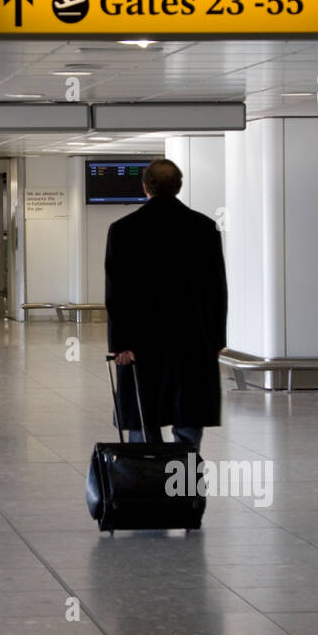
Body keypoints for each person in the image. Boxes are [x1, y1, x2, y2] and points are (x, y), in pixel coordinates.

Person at [105, 159, 227, 449]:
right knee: (188, 414)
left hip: (141, 343)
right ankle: (183, 483)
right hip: (192, 341)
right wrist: (216, 340)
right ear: (179, 186)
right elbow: (216, 290)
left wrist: (120, 344)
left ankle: (144, 482)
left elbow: (116, 292)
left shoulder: (123, 229)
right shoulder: (205, 228)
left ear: (145, 186)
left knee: (141, 417)